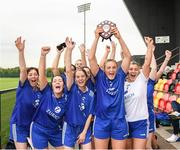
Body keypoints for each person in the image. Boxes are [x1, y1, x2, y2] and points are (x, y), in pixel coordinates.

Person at [88, 26, 131, 149]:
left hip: (119, 121)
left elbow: (128, 56)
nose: (111, 70)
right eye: (109, 67)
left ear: (116, 68)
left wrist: (119, 37)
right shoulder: (100, 77)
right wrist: (96, 37)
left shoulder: (120, 76)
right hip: (102, 121)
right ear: (104, 69)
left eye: (113, 67)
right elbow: (91, 58)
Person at [30, 46, 69, 149]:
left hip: (55, 131)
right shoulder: (47, 92)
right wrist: (43, 55)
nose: (57, 82)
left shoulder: (67, 98)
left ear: (63, 85)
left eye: (60, 81)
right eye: (55, 81)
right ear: (51, 85)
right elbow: (42, 74)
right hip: (39, 130)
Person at [9, 37, 41, 149]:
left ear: (38, 76)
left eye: (35, 74)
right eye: (30, 74)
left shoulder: (39, 92)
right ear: (27, 77)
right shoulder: (23, 86)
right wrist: (21, 51)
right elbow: (23, 69)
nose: (33, 76)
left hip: (32, 127)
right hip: (19, 125)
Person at [63, 37, 95, 149]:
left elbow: (90, 115)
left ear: (86, 78)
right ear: (74, 78)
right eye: (77, 77)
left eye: (82, 76)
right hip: (70, 128)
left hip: (84, 128)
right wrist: (69, 50)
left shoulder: (91, 94)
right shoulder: (71, 88)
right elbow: (68, 70)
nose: (80, 79)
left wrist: (84, 132)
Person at [124, 37, 153, 149]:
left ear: (139, 70)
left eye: (135, 69)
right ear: (127, 70)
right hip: (125, 122)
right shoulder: (122, 83)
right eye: (130, 69)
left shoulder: (142, 79)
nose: (133, 71)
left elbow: (147, 62)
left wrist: (149, 46)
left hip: (140, 121)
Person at [146, 48, 172, 149]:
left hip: (149, 113)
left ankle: (155, 143)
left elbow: (158, 69)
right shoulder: (136, 81)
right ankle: (154, 142)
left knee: (150, 144)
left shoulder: (151, 80)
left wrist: (166, 59)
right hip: (137, 115)